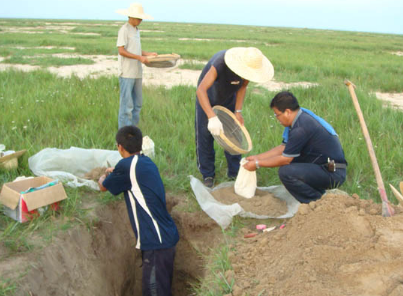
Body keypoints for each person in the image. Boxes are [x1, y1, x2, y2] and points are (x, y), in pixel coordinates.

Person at [98, 125, 179, 296]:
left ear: (120, 147)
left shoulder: (126, 166)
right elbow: (132, 175)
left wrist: (103, 176)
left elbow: (103, 187)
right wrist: (118, 172)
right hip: (166, 239)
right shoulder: (145, 162)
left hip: (156, 244)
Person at [244, 91, 347, 203]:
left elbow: (285, 159)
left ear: (287, 112)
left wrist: (257, 164)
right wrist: (257, 157)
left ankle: (316, 203)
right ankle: (321, 197)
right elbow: (284, 148)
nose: (277, 119)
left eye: (277, 114)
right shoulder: (299, 118)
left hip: (333, 173)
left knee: (287, 172)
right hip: (322, 166)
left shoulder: (300, 128)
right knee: (291, 163)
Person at [195, 47, 274, 188]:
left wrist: (238, 111)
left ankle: (234, 172)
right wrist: (211, 116)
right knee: (205, 135)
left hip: (228, 100)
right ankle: (208, 174)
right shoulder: (220, 64)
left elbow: (242, 87)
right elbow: (201, 90)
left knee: (233, 134)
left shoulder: (249, 73)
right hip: (207, 98)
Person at [116, 3, 158, 128]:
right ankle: (124, 135)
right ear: (131, 17)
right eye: (139, 18)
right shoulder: (124, 30)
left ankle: (132, 132)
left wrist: (148, 54)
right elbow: (121, 51)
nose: (141, 20)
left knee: (137, 104)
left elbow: (135, 50)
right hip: (127, 73)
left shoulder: (136, 30)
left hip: (137, 73)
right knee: (126, 107)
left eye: (141, 18)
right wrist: (139, 57)